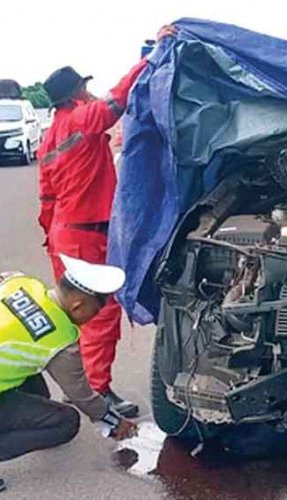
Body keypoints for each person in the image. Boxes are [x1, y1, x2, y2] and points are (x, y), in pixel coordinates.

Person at [37, 24, 177, 418]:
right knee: (99, 312)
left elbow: (46, 195)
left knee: (71, 312)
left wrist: (50, 235)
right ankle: (96, 391)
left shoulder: (49, 137)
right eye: (84, 87)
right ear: (77, 92)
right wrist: (150, 58)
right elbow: (116, 102)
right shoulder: (81, 119)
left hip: (62, 233)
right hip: (85, 235)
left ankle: (77, 385)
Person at [0, 255, 138, 494]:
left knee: (30, 366)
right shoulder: (61, 341)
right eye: (94, 313)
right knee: (65, 422)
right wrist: (114, 422)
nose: (91, 319)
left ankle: (21, 425)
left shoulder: (15, 283)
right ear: (78, 306)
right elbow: (81, 395)